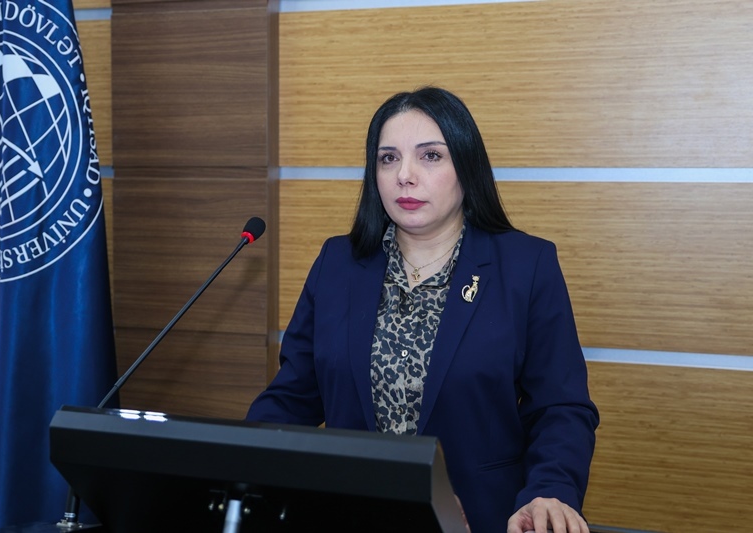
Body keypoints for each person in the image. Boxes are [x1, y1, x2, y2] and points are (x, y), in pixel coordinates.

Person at [246, 87, 599, 532]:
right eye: (388, 158)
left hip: (479, 519)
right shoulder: (338, 264)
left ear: (466, 166)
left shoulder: (526, 266)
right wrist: (239, 461)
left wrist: (551, 490)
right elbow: (293, 397)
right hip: (352, 513)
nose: (404, 176)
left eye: (430, 156)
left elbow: (560, 407)